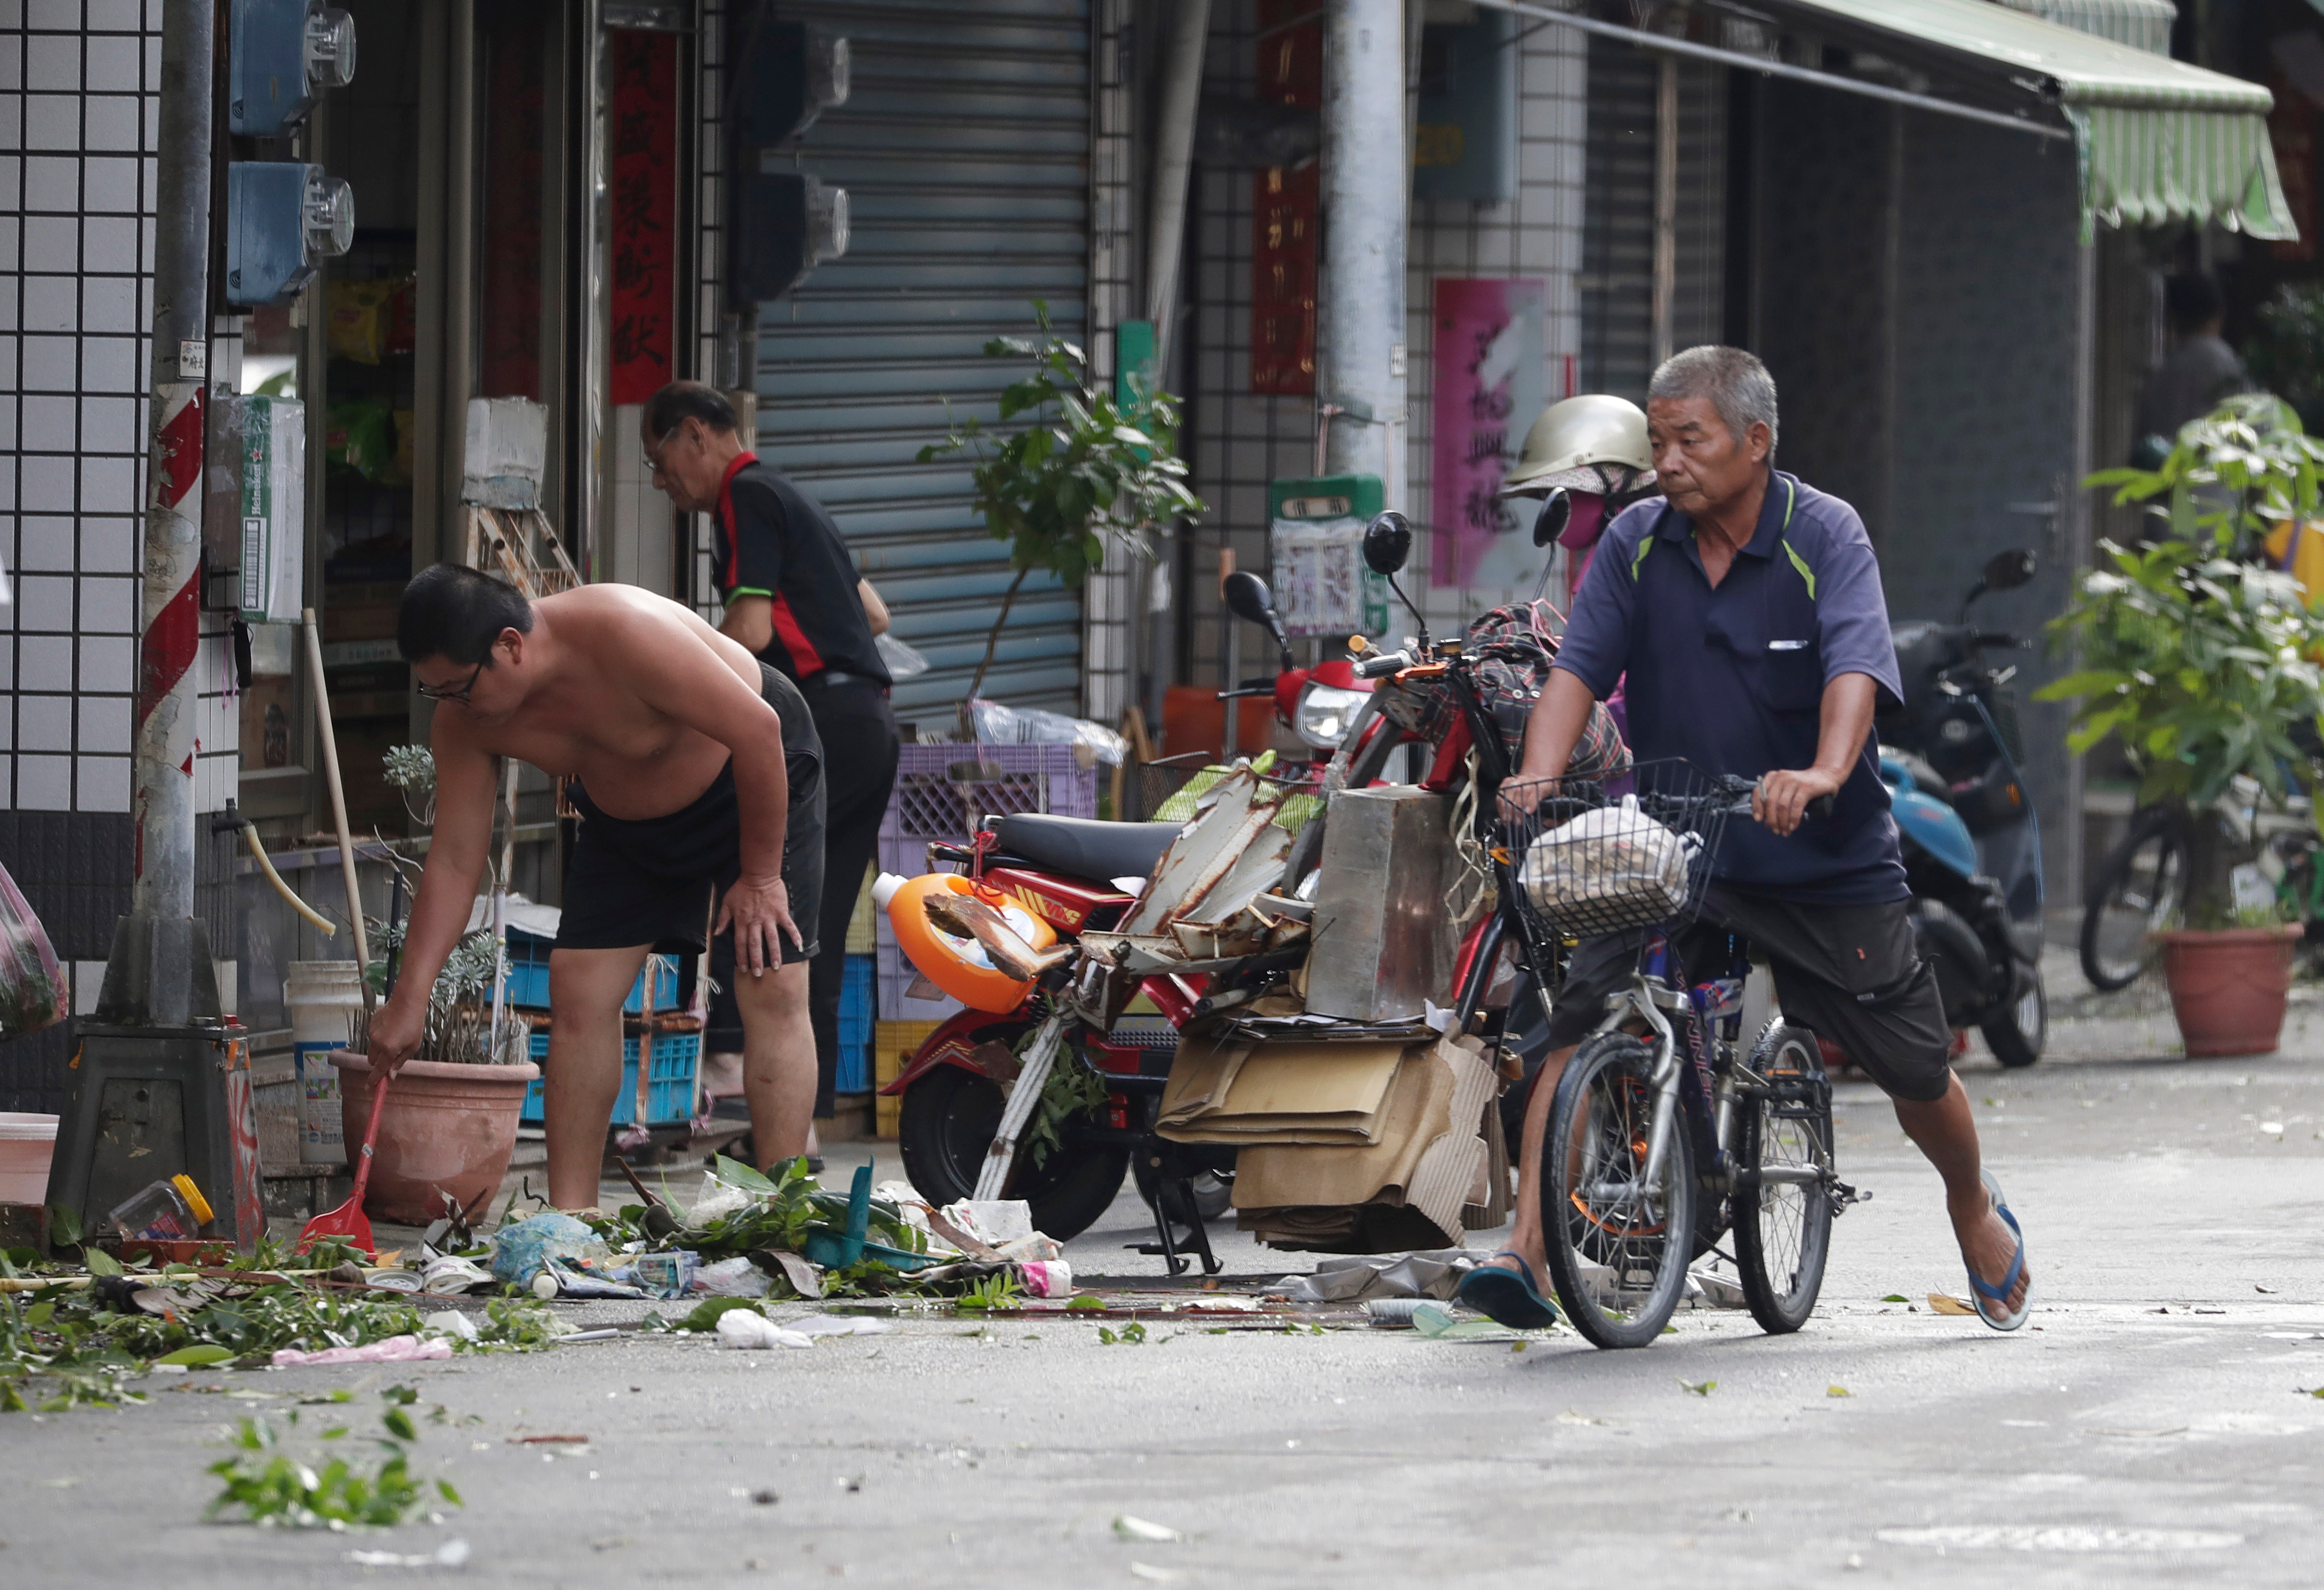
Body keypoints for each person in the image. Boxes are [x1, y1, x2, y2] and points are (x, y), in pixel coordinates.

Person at [1459, 346, 2033, 1333]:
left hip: (1825, 853)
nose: (1669, 460)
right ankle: (1527, 1250)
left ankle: (1970, 1205)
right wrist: (1536, 771)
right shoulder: (1638, 542)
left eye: (1692, 439)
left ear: (1755, 442)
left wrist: (1818, 772)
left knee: (1911, 1065)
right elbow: (1576, 674)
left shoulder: (1824, 534)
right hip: (1677, 840)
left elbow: (1856, 668)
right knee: (1580, 1014)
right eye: (1659, 440)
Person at [370, 565, 825, 1211]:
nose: (451, 705)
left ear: (510, 646)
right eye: (435, 691)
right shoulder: (465, 719)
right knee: (579, 988)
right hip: (625, 817)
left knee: (770, 980)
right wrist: (409, 999)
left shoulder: (621, 630)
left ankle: (786, 1211)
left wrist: (760, 877)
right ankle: (572, 1220)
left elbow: (759, 730)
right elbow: (452, 860)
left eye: (459, 688)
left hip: (750, 777)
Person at [639, 383, 901, 1170]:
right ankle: (800, 1133)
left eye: (660, 462)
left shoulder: (744, 498)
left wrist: (674, 688)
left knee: (764, 900)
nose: (662, 484)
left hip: (820, 727)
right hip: (871, 726)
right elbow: (876, 615)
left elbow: (750, 631)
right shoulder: (796, 499)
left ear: (695, 435)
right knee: (805, 924)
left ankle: (726, 1068)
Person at [2135, 271, 2248, 457]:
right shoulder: (2225, 361)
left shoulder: (2165, 363)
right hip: (2215, 475)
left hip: (2164, 472)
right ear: (2217, 315)